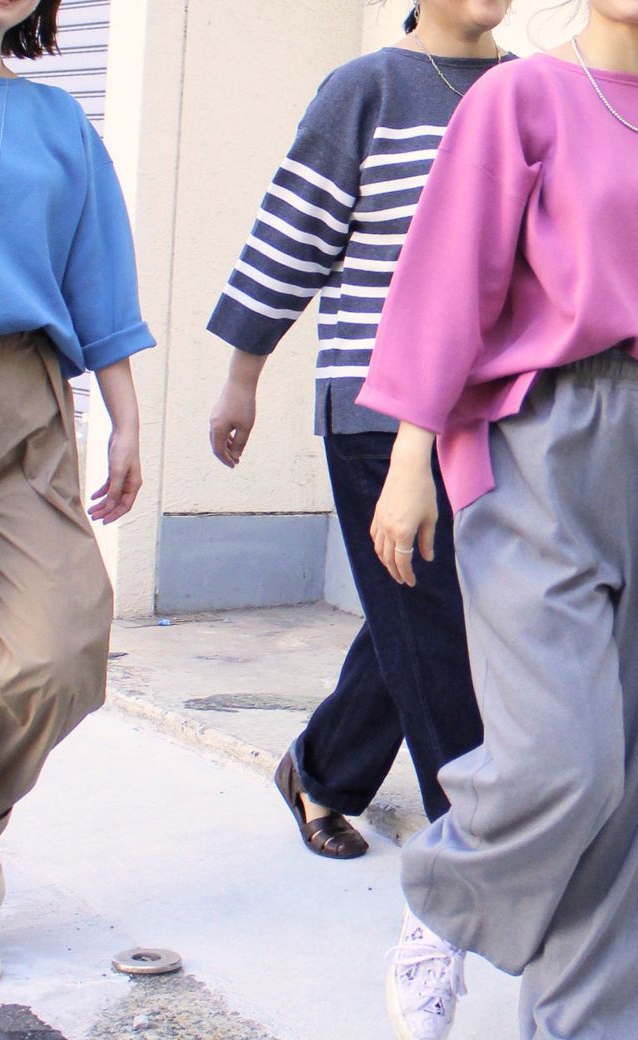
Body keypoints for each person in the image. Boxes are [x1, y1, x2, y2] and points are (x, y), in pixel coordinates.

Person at [357, 1, 638, 1036]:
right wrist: (411, 455)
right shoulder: (520, 98)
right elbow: (449, 279)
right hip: (540, 440)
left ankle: (602, 1023)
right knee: (565, 756)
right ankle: (446, 899)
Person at [207, 1, 516, 859]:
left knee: (420, 615)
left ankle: (320, 771)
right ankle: (475, 840)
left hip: (499, 412)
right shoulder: (367, 89)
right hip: (378, 408)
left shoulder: (532, 88)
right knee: (432, 623)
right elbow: (292, 234)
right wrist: (242, 376)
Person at [0, 0, 153, 983]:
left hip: (28, 397)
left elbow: (98, 275)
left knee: (66, 644)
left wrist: (125, 416)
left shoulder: (57, 121)